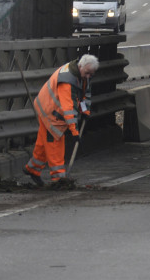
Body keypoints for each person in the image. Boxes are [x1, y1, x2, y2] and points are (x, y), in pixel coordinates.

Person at [24, 54, 98, 186]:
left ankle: (32, 169)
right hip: (50, 113)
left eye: (91, 74)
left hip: (47, 107)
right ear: (80, 66)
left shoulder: (81, 74)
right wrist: (75, 132)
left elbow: (84, 93)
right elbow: (68, 109)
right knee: (55, 143)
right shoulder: (67, 82)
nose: (88, 76)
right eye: (87, 73)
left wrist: (85, 110)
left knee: (43, 143)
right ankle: (59, 179)